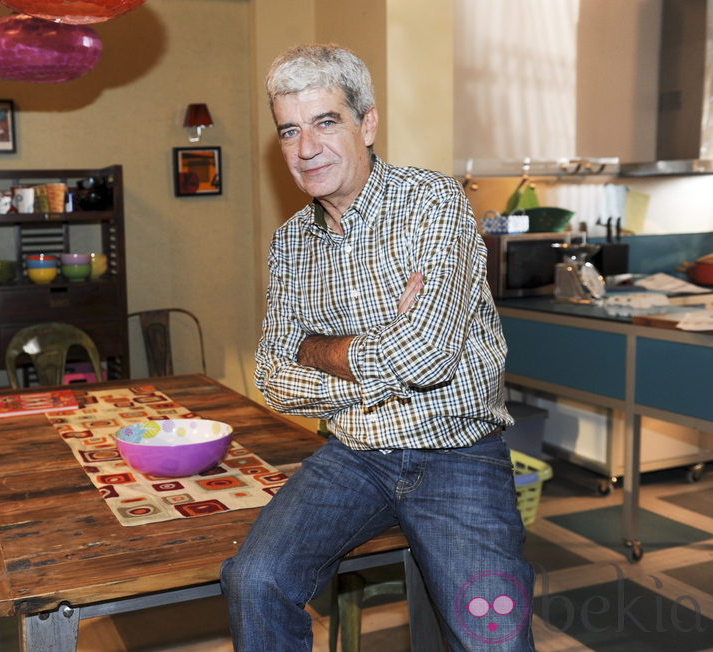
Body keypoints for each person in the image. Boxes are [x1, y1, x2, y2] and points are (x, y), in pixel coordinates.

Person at [220, 44, 535, 651]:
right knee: (253, 578)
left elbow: (427, 356)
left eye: (326, 121)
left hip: (459, 453)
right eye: (290, 130)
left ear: (367, 123)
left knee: (492, 637)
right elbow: (273, 378)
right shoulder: (290, 243)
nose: (306, 147)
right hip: (355, 454)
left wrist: (317, 348)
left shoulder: (434, 202)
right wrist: (381, 346)